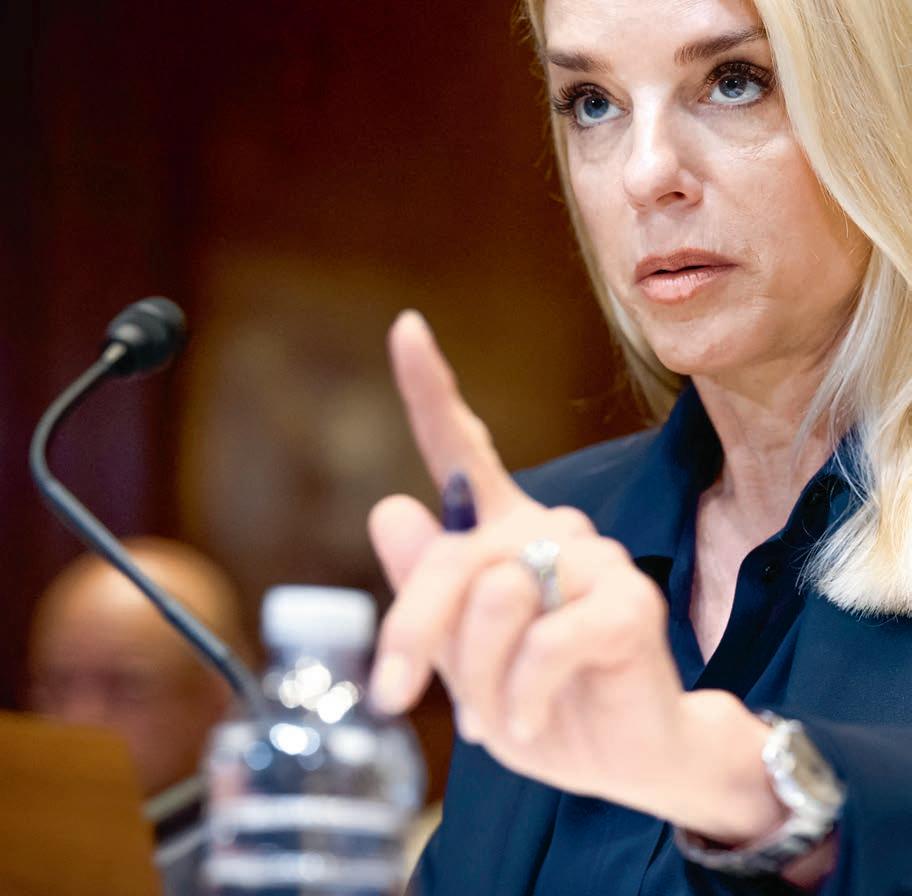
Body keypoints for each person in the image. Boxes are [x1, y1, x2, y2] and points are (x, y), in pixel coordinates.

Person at [364, 0, 912, 893]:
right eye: (592, 103)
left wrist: (748, 787)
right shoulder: (553, 535)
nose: (645, 173)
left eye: (736, 82)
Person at [26, 537, 252, 894]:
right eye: (58, 685)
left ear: (217, 699)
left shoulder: (253, 863)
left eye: (128, 687)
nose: (81, 720)